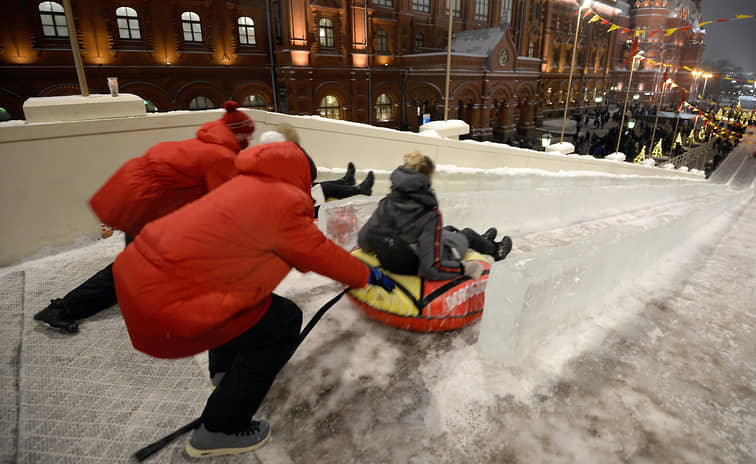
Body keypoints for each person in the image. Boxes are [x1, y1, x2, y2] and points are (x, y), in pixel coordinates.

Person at [113, 132, 396, 457]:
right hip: (171, 297)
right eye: (307, 182)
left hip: (144, 279)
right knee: (280, 321)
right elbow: (317, 252)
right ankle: (221, 428)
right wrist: (368, 274)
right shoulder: (278, 199)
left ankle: (225, 374)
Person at [33, 101, 255, 334]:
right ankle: (64, 310)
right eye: (247, 136)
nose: (249, 141)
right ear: (238, 134)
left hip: (142, 204)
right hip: (150, 210)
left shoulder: (204, 144)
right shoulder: (219, 155)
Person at [357, 150, 512, 281]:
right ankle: (495, 250)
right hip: (419, 258)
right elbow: (431, 268)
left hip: (405, 251)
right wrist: (463, 269)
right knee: (467, 234)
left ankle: (483, 240)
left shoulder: (387, 203)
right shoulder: (428, 214)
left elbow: (363, 240)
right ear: (426, 179)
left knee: (449, 229)